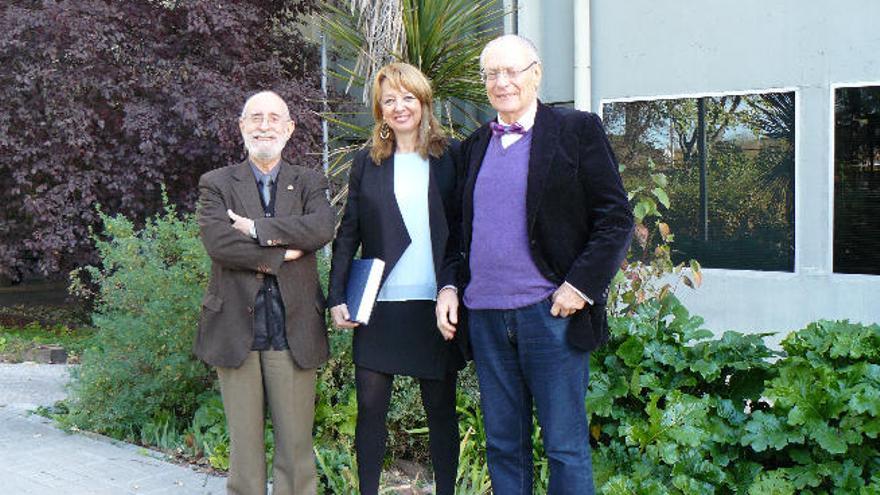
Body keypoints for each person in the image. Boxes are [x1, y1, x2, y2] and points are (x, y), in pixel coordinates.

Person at [436, 35, 634, 494]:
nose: (502, 82)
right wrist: (449, 288)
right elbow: (455, 232)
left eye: (512, 71)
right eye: (492, 74)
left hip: (550, 316)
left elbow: (615, 217)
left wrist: (579, 286)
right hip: (485, 317)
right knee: (504, 445)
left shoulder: (576, 130)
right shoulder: (473, 147)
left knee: (564, 446)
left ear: (536, 74)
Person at [327, 62, 465, 495]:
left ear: (424, 102)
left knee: (440, 409)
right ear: (379, 110)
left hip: (435, 303)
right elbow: (348, 232)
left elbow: (463, 230)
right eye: (389, 100)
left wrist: (455, 287)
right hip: (378, 305)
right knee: (370, 410)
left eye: (408, 97)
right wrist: (337, 297)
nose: (399, 107)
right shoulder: (366, 164)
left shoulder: (450, 157)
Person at [194, 90, 335, 495]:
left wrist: (257, 230)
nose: (265, 125)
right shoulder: (216, 184)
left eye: (275, 118)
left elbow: (321, 228)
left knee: (296, 445)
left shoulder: (309, 182)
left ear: (289, 129)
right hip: (235, 326)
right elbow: (220, 243)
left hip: (294, 328)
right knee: (244, 447)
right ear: (241, 127)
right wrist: (283, 254)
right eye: (255, 117)